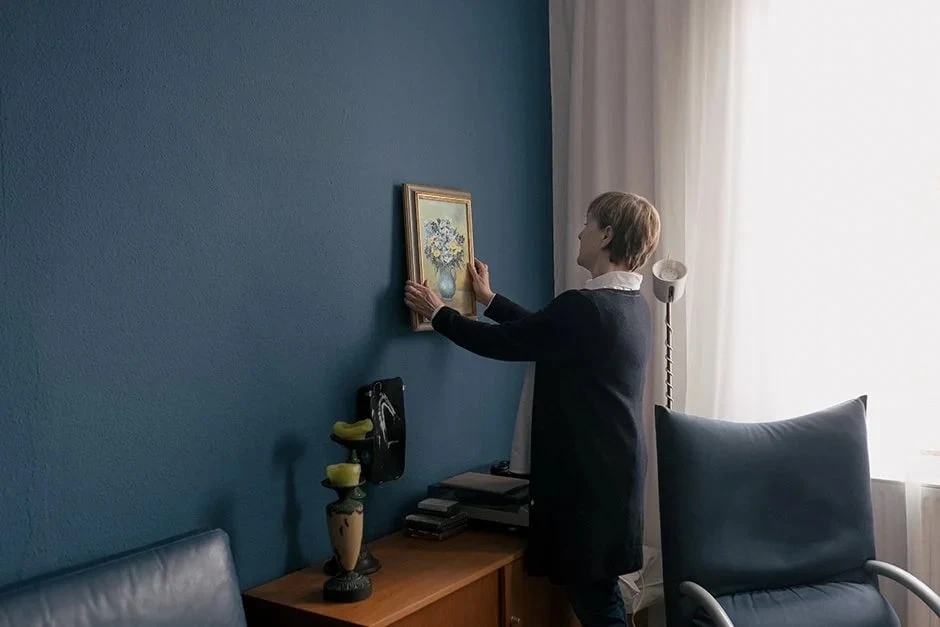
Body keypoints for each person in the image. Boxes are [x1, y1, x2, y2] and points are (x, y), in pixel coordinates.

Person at [404, 191, 660, 627]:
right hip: (613, 476)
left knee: (596, 602)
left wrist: (439, 313)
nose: (580, 232)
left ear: (606, 235)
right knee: (598, 594)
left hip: (589, 482)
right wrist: (490, 299)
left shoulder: (586, 307)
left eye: (588, 223)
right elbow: (544, 331)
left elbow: (507, 342)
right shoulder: (631, 306)